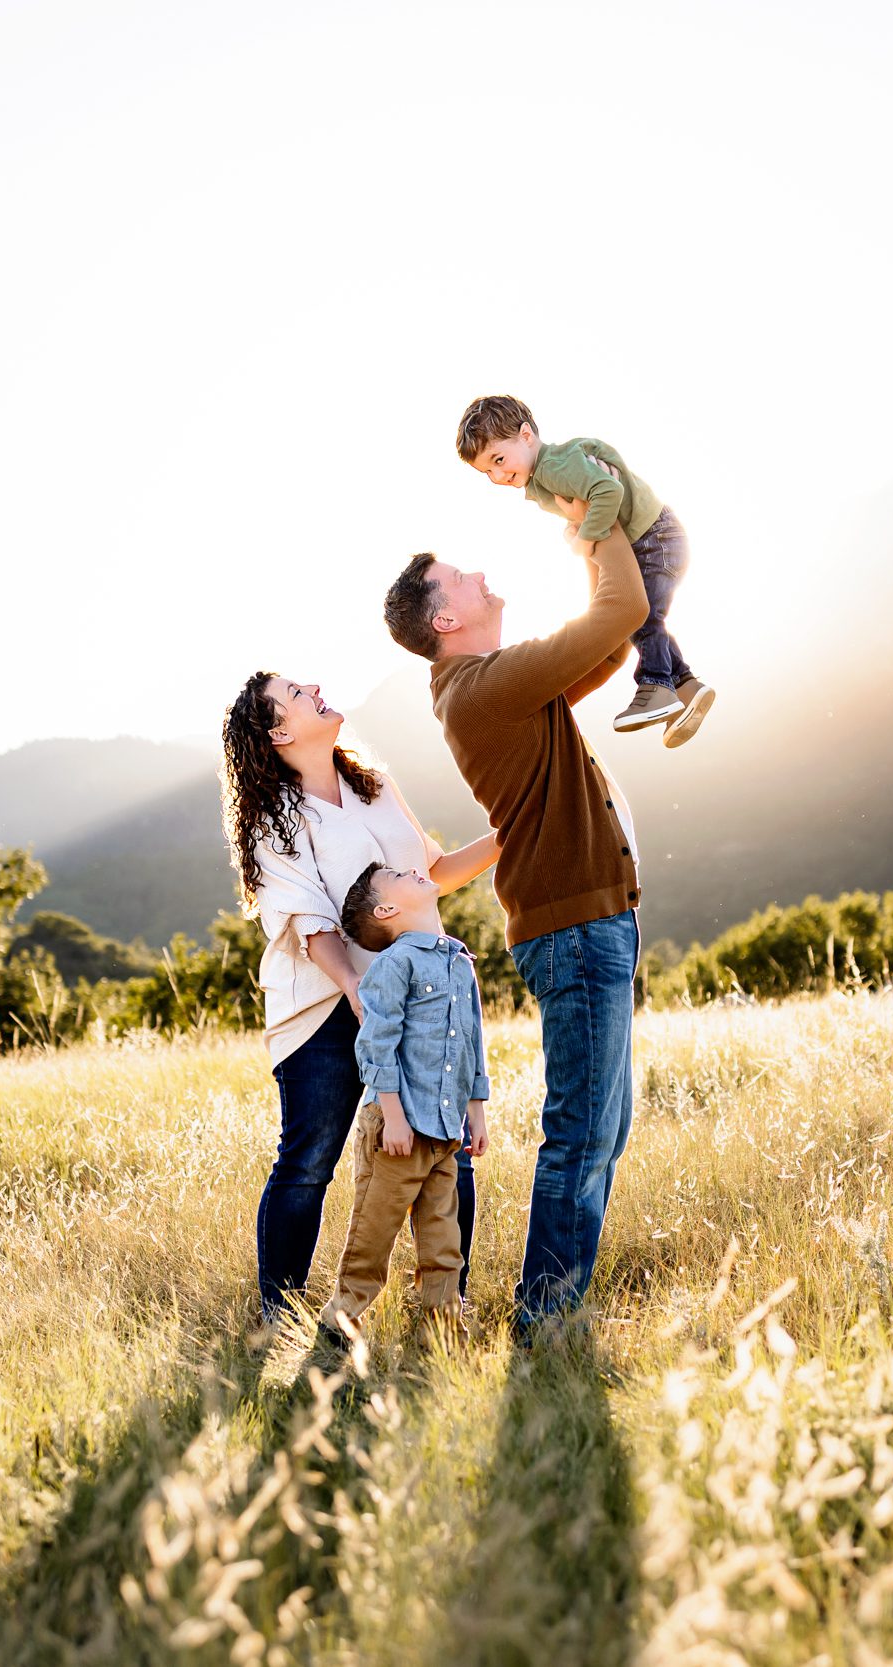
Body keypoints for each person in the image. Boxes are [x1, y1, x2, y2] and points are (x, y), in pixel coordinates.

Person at [378, 513, 645, 1335]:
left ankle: (557, 1310)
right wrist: (597, 517)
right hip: (574, 930)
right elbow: (622, 609)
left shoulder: (495, 682)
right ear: (444, 618)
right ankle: (545, 1322)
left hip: (588, 922)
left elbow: (611, 647)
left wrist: (613, 584)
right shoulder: (487, 687)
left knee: (603, 1125)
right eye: (460, 578)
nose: (479, 575)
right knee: (581, 1131)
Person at [220, 672, 498, 1324]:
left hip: (414, 999)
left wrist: (509, 834)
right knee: (310, 1160)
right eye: (295, 690)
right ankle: (279, 1320)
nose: (314, 684)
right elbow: (308, 920)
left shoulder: (372, 785)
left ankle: (445, 1304)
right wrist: (354, 988)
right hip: (321, 1009)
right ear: (280, 730)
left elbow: (431, 873)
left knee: (443, 1141)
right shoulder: (273, 818)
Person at [455, 393, 713, 746]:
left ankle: (656, 684)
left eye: (499, 459)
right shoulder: (545, 474)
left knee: (640, 616)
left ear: (527, 436)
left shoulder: (554, 467)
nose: (497, 475)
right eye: (487, 471)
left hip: (654, 539)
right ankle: (685, 685)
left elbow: (608, 489)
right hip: (650, 539)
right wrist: (578, 526)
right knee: (645, 617)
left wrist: (584, 538)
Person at [313, 861, 491, 1340]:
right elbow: (376, 1043)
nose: (414, 869)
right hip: (397, 1126)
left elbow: (472, 1041)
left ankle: (443, 1327)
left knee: (443, 1240)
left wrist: (476, 1111)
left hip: (444, 1131)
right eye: (395, 874)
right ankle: (341, 1319)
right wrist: (393, 1116)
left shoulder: (459, 960)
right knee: (374, 1232)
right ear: (388, 908)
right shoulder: (396, 965)